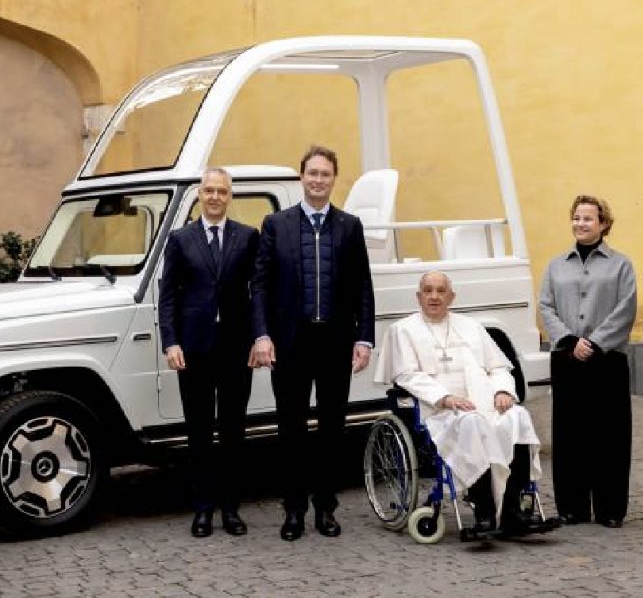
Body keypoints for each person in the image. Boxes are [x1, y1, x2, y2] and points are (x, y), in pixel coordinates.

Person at [251, 145, 375, 541]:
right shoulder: (276, 225)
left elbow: (363, 286)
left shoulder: (350, 226)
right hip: (291, 343)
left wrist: (364, 337)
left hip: (335, 342)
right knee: (291, 429)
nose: (318, 180)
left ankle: (326, 509)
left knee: (332, 429)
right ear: (301, 177)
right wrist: (262, 334)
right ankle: (293, 511)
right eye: (312, 173)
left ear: (333, 179)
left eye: (325, 174)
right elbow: (260, 286)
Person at [375, 271, 544, 534]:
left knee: (517, 416)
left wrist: (502, 391)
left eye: (440, 291)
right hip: (439, 411)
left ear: (451, 297)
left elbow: (498, 367)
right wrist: (444, 397)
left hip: (483, 402)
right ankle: (484, 510)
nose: (434, 296)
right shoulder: (403, 330)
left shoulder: (471, 326)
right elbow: (407, 375)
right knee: (471, 423)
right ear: (418, 296)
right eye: (428, 291)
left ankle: (512, 508)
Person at [158, 167, 259, 538]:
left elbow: (257, 292)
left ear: (230, 196)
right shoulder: (180, 239)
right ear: (199, 194)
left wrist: (259, 337)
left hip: (236, 350)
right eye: (209, 190)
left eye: (222, 191)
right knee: (198, 433)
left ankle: (231, 510)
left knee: (233, 432)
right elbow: (168, 295)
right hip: (194, 350)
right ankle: (202, 510)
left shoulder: (247, 237)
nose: (215, 197)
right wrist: (171, 342)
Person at [538, 195, 637, 528]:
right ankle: (572, 507)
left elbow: (626, 308)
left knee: (610, 435)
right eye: (576, 218)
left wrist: (595, 343)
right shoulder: (555, 265)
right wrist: (569, 341)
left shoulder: (620, 265)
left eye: (588, 218)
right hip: (567, 358)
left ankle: (610, 508)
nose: (581, 224)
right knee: (570, 434)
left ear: (603, 224)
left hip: (606, 359)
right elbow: (546, 306)